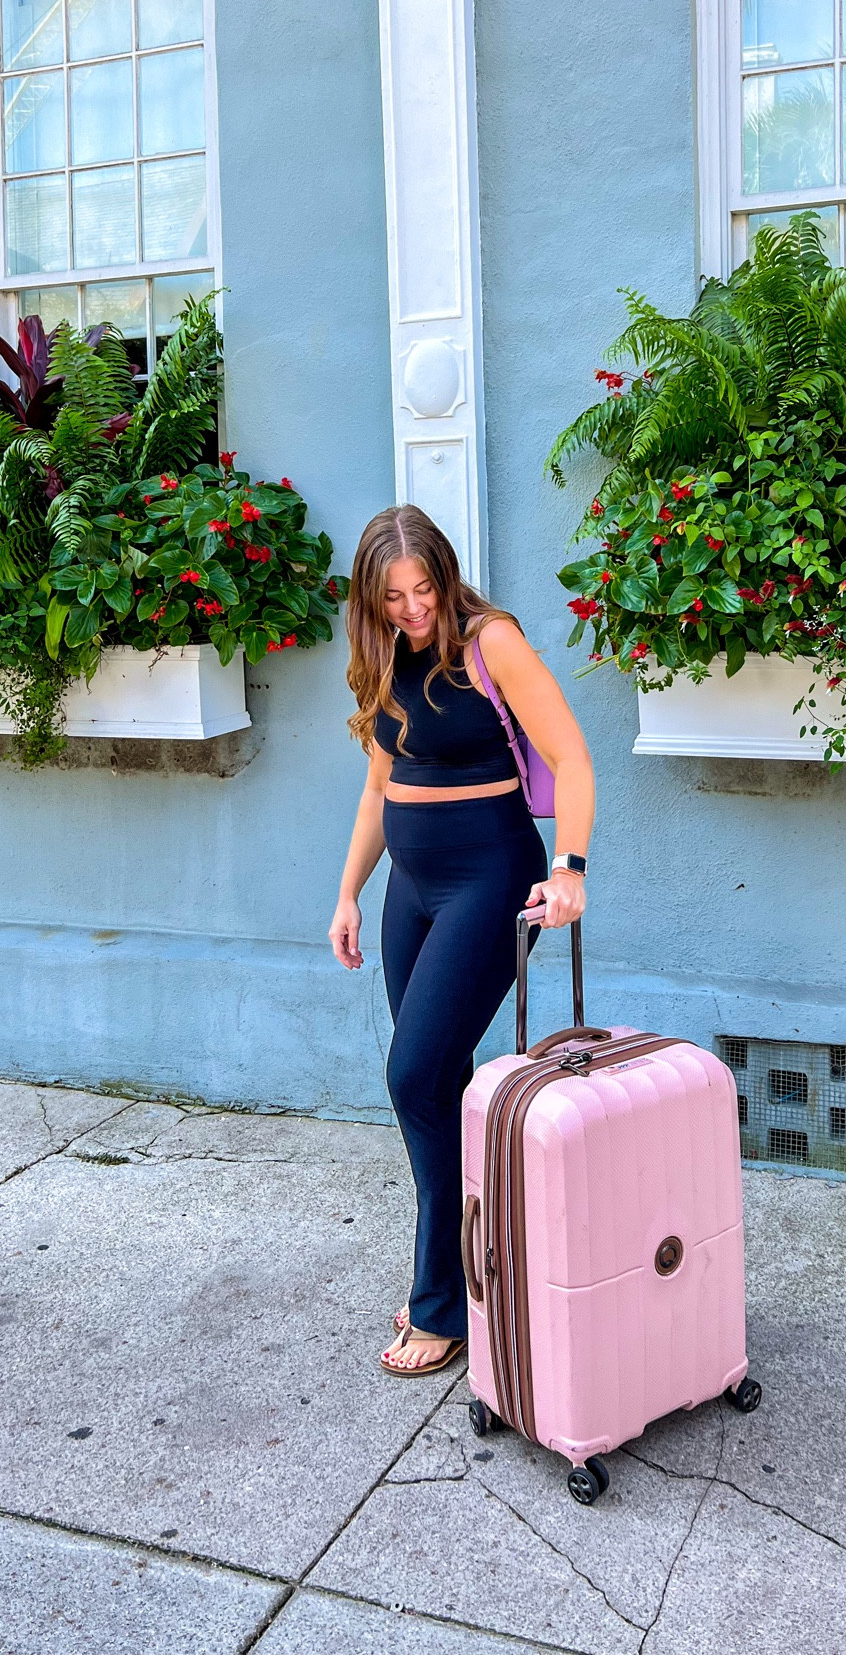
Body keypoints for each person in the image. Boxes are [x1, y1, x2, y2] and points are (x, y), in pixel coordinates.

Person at [330, 506, 596, 1375]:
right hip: (411, 891)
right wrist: (349, 895)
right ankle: (466, 1269)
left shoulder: (492, 643)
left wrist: (570, 870)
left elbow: (574, 757)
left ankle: (440, 1302)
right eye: (393, 597)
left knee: (413, 1074)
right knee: (431, 1088)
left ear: (445, 577)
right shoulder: (384, 657)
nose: (412, 609)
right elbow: (379, 787)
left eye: (423, 589)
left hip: (490, 880)